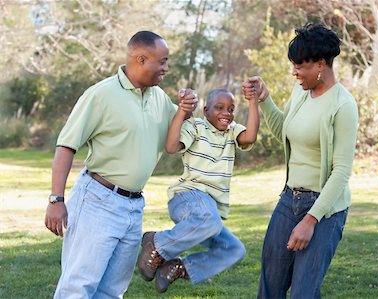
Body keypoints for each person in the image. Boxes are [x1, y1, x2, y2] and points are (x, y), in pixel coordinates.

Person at [44, 31, 197, 299]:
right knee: (78, 287)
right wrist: (56, 199)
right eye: (162, 61)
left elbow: (179, 126)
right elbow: (66, 145)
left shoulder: (159, 98)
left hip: (133, 206)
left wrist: (187, 106)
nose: (166, 67)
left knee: (113, 291)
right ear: (141, 59)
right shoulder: (101, 95)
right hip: (97, 201)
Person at [242, 23, 358, 298]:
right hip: (288, 201)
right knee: (270, 288)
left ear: (320, 64)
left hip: (325, 210)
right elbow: (285, 129)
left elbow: (341, 171)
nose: (295, 72)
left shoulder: (343, 105)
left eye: (300, 66)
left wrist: (311, 219)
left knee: (303, 293)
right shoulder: (301, 93)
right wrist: (265, 99)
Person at [136, 88, 260, 293]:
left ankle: (178, 267)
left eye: (231, 109)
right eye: (219, 108)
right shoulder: (196, 126)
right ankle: (157, 244)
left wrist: (253, 100)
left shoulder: (232, 131)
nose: (226, 113)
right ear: (205, 110)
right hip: (187, 197)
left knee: (234, 249)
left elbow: (250, 137)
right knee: (210, 221)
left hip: (208, 213)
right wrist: (182, 111)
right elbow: (171, 146)